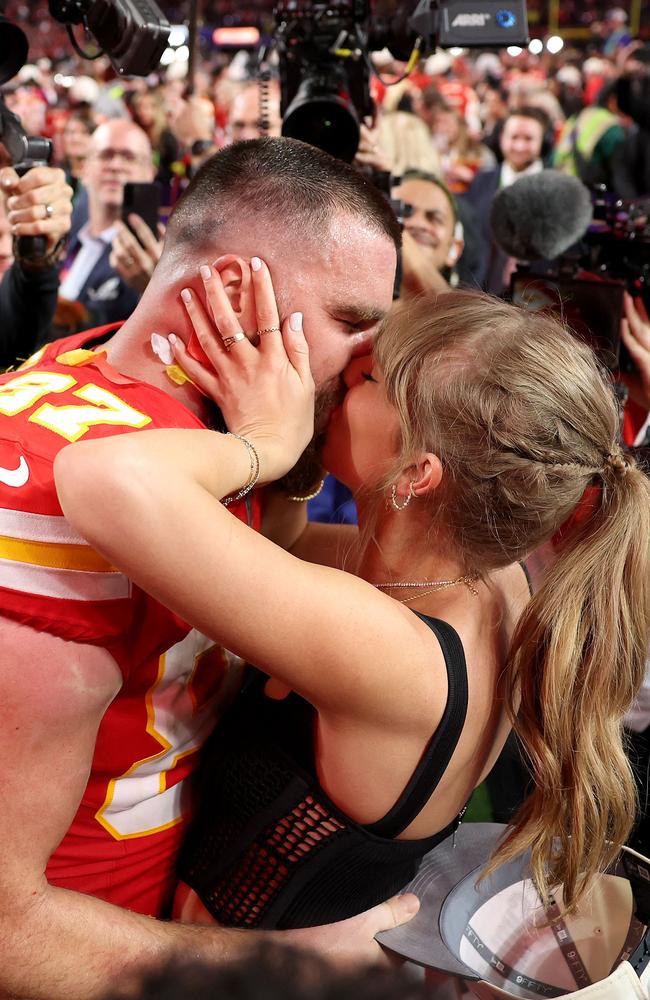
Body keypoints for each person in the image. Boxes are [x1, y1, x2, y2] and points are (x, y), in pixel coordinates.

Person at [55, 282, 650, 935]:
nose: (335, 376)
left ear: (416, 473)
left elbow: (100, 479)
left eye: (368, 375)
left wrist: (266, 444)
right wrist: (304, 455)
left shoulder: (394, 653)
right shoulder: (477, 572)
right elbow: (282, 547)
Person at [0, 137, 411, 1000]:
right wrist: (314, 964)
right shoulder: (52, 508)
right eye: (349, 324)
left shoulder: (140, 386)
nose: (366, 361)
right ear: (230, 295)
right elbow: (7, 926)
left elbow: (270, 546)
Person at [58, 118, 156, 327]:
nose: (116, 166)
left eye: (129, 157)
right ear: (84, 169)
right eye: (105, 155)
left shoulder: (156, 257)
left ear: (150, 173)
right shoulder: (62, 235)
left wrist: (154, 290)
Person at [464, 107, 552, 293]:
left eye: (528, 139)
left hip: (533, 298)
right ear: (502, 138)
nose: (519, 146)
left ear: (542, 142)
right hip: (478, 294)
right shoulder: (482, 180)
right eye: (514, 137)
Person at [0, 164, 74, 367]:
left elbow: (28, 297)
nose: (5, 250)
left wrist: (37, 255)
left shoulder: (72, 322)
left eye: (16, 238)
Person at [392, 170, 464, 297]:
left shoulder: (470, 315)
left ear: (454, 249)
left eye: (435, 218)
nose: (418, 223)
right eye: (404, 211)